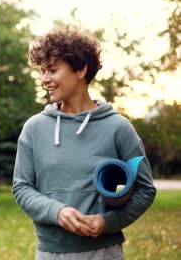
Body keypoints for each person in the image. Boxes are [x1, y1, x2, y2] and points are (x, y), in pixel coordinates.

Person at [12, 28, 157, 260]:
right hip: (51, 253)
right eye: (43, 71)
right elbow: (22, 187)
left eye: (52, 70)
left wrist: (107, 221)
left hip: (104, 252)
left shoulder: (118, 127)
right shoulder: (34, 128)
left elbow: (145, 189)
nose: (44, 79)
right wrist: (57, 212)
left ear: (80, 69)